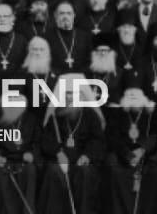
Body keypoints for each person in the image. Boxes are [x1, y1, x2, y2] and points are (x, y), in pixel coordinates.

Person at [38, 74, 106, 214]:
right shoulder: (56, 115)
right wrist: (58, 153)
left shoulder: (90, 115)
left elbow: (97, 140)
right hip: (61, 160)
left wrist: (87, 155)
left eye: (74, 93)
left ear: (81, 95)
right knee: (53, 171)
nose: (70, 97)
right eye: (67, 93)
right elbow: (46, 139)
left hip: (83, 160)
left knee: (85, 172)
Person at [105, 78, 157, 214]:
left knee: (155, 173)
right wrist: (128, 155)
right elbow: (112, 136)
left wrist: (142, 149)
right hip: (123, 156)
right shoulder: (118, 112)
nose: (132, 94)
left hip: (146, 156)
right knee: (115, 172)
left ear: (143, 95)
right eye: (129, 92)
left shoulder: (151, 113)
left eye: (136, 92)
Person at [0, 94, 40, 214]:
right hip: (3, 159)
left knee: (31, 170)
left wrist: (32, 154)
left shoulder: (31, 118)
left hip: (24, 160)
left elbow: (38, 141)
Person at [46, 0, 93, 73]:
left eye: (69, 13)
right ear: (55, 15)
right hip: (56, 77)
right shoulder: (46, 37)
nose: (65, 17)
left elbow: (89, 61)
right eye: (61, 13)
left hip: (80, 77)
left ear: (74, 15)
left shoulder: (85, 37)